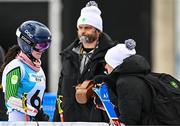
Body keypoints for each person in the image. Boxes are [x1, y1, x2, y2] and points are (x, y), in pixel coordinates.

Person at [53, 1, 117, 122]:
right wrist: (57, 120)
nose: (83, 31)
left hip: (97, 120)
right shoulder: (69, 55)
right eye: (80, 28)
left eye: (87, 28)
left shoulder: (110, 55)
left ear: (97, 30)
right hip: (70, 119)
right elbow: (60, 91)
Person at [1, 20, 51, 121]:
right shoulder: (16, 67)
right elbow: (10, 99)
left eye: (45, 46)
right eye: (40, 46)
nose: (42, 50)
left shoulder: (39, 69)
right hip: (18, 121)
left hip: (34, 122)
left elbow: (37, 99)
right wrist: (34, 112)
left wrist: (41, 113)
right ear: (27, 44)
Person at [93, 39, 152, 125]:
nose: (105, 66)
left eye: (108, 63)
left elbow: (129, 120)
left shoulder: (126, 83)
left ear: (115, 65)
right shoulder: (140, 77)